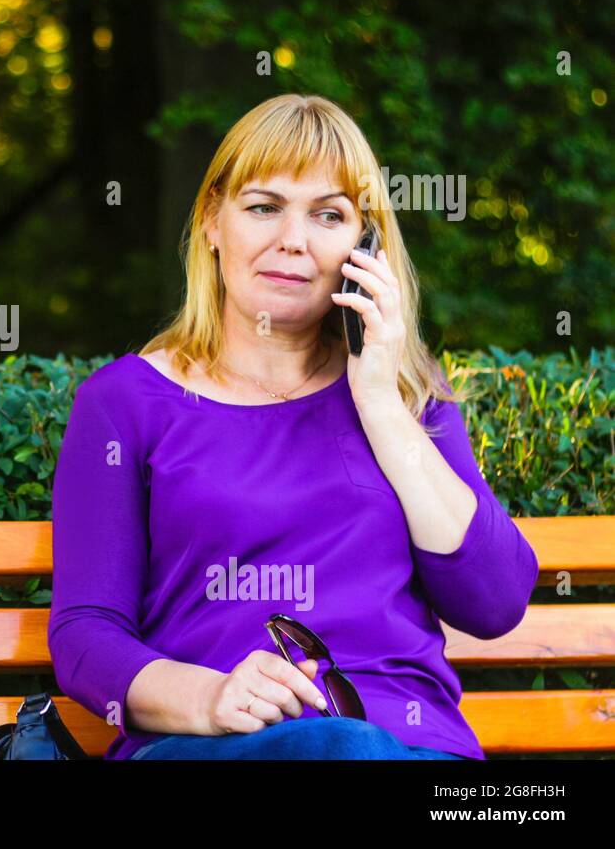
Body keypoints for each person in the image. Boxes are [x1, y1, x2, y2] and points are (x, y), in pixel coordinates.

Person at [48, 93, 539, 760]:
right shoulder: (126, 403)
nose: (294, 241)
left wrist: (381, 404)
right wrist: (209, 698)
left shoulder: (406, 393)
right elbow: (85, 633)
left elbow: (495, 600)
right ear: (212, 221)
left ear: (364, 247)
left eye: (329, 215)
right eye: (264, 207)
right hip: (217, 743)